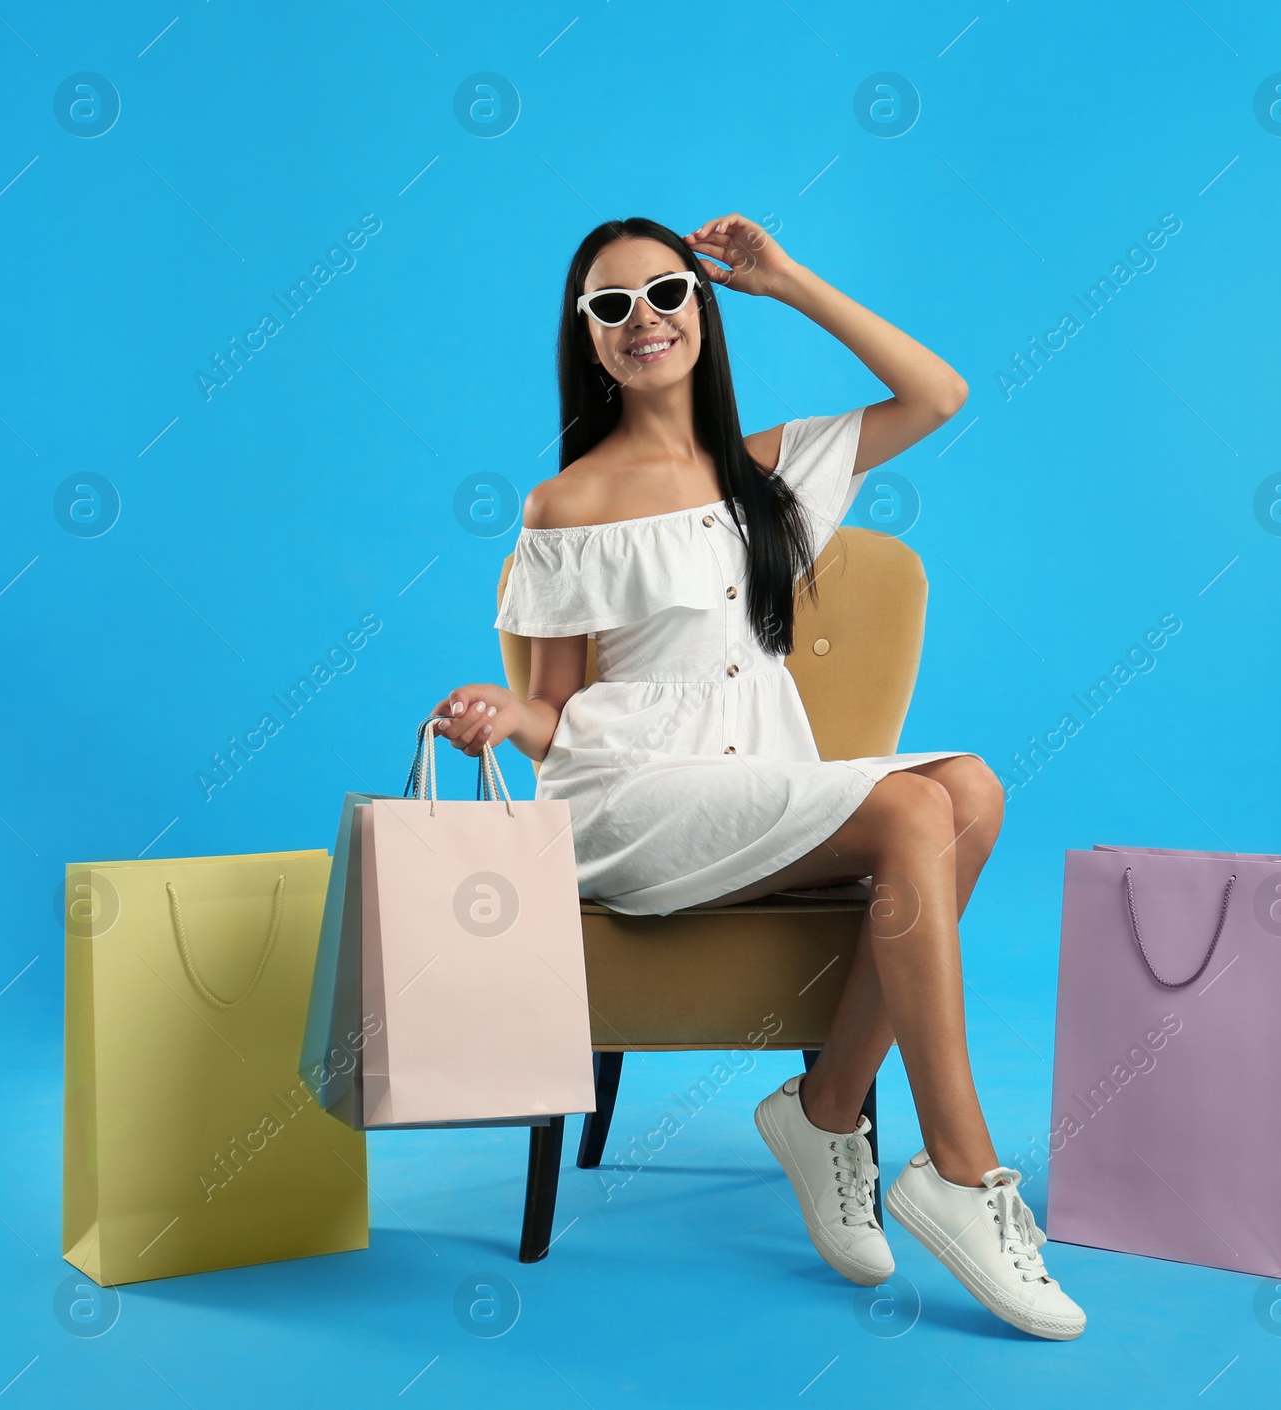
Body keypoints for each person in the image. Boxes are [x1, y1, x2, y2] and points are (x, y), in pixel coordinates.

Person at [433, 214, 1085, 1340]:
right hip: (626, 801)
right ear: (586, 339)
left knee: (968, 788)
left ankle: (825, 1108)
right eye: (611, 305)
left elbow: (938, 393)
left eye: (668, 293)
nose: (644, 319)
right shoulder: (565, 505)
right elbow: (555, 703)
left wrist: (788, 281)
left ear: (702, 308)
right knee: (905, 810)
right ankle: (962, 1176)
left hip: (755, 783)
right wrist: (505, 715)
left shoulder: (772, 474)